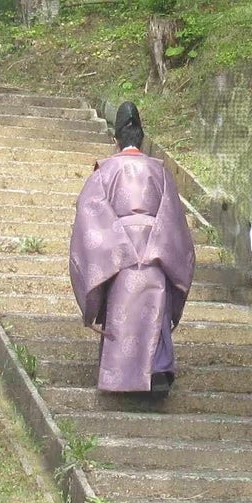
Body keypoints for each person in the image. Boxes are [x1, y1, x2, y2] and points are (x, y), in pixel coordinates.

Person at [69, 102, 196, 398]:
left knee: (121, 308)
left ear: (115, 140)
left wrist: (116, 248)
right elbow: (174, 220)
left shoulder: (104, 171)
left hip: (118, 251)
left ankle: (120, 377)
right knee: (156, 309)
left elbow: (89, 217)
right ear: (142, 138)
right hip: (156, 247)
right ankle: (158, 373)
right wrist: (157, 244)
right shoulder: (160, 171)